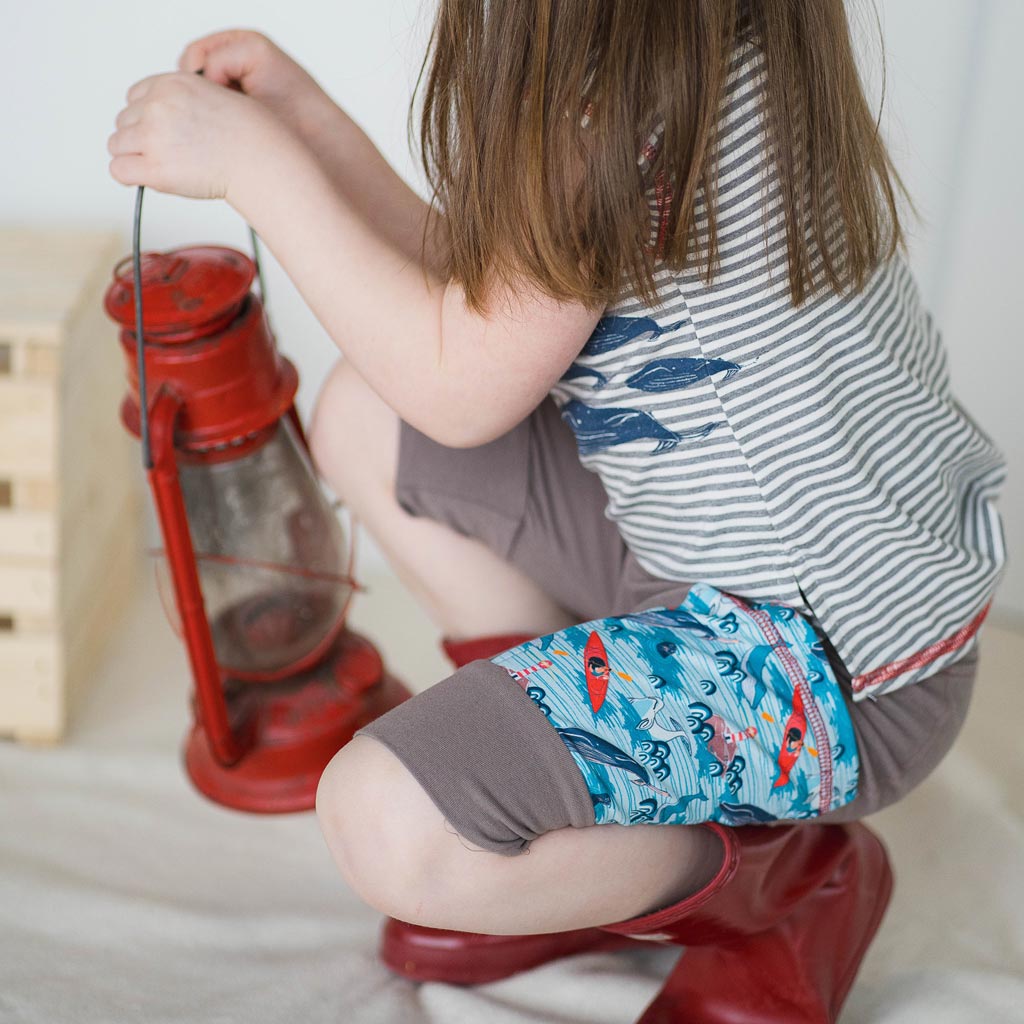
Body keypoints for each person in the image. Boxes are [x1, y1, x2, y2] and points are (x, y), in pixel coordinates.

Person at [108, 4, 1007, 1021]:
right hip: (728, 568)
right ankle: (567, 822)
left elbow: (457, 387)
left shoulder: (618, 123)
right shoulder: (694, 55)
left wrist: (257, 171)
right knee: (364, 415)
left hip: (826, 675)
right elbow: (490, 309)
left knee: (388, 823)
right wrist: (311, 131)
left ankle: (783, 882)